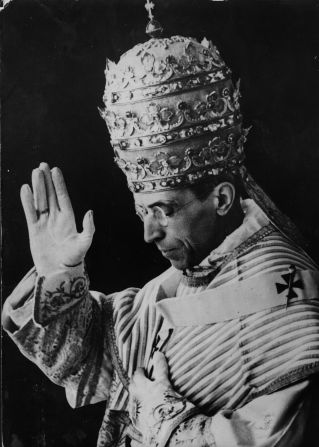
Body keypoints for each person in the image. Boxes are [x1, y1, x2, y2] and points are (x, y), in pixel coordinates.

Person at [2, 11, 319, 447]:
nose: (148, 233)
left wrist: (163, 420)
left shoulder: (291, 304)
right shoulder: (175, 286)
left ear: (222, 199)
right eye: (140, 212)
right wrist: (60, 278)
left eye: (163, 210)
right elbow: (89, 359)